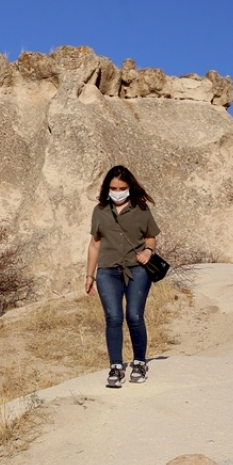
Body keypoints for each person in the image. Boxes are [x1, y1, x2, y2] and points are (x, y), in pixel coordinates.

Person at [85, 165, 160, 388]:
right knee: (113, 318)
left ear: (130, 187)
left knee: (135, 316)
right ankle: (116, 367)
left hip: (137, 269)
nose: (117, 191)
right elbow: (94, 244)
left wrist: (148, 251)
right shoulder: (99, 210)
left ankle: (139, 362)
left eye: (122, 188)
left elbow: (151, 237)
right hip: (107, 271)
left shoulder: (141, 209)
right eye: (113, 188)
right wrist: (89, 275)